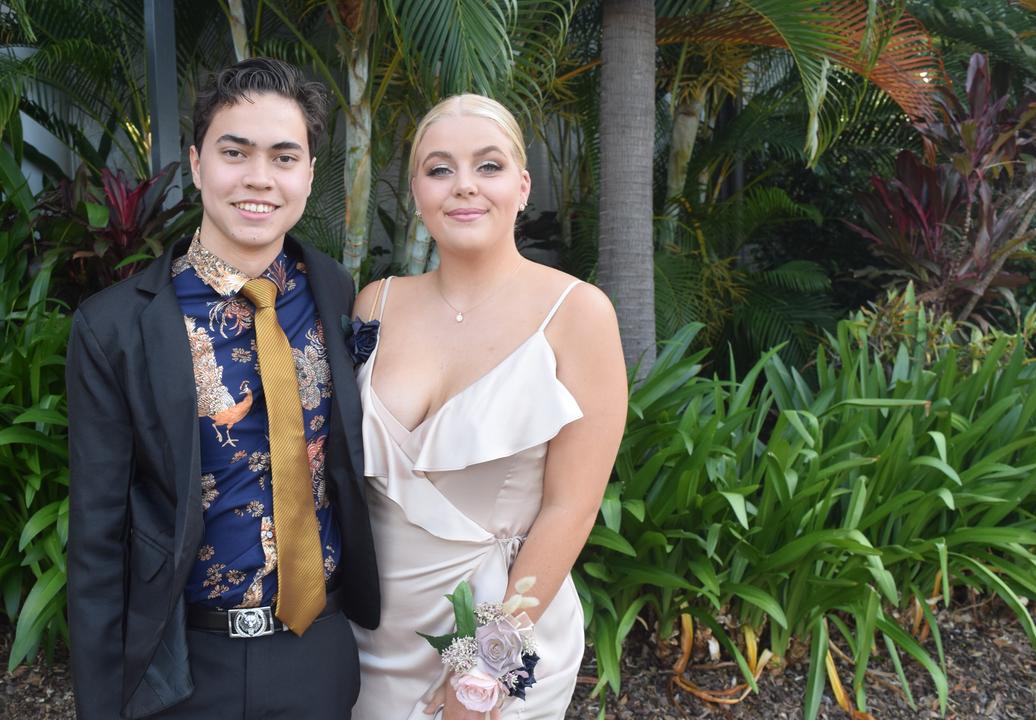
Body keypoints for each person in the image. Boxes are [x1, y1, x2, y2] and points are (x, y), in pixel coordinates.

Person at [66, 57, 379, 720]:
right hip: (184, 667)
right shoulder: (116, 327)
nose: (259, 178)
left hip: (319, 651)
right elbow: (97, 539)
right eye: (235, 152)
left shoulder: (336, 293)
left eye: (284, 156)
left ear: (309, 174)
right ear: (198, 162)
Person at [350, 94, 628, 719]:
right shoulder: (376, 304)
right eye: (439, 168)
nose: (463, 187)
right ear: (416, 190)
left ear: (523, 186)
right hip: (371, 635)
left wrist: (488, 668)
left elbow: (572, 507)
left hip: (504, 623)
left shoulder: (578, 314)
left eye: (489, 166)